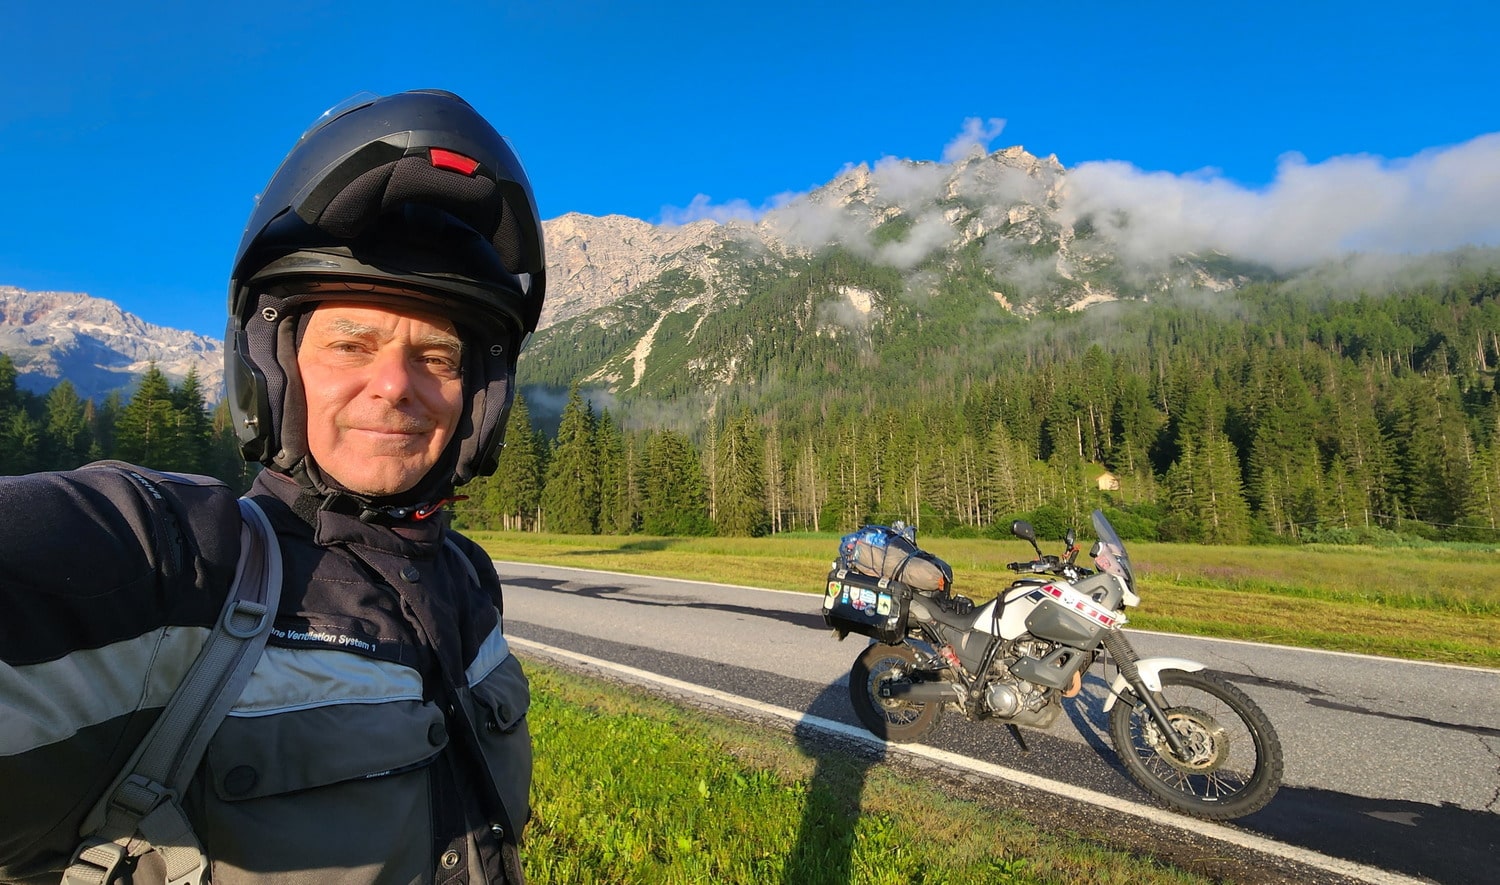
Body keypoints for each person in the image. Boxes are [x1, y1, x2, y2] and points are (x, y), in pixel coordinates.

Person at [0, 89, 546, 884]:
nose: (396, 385)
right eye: (351, 343)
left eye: (437, 356)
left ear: (479, 399)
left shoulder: (469, 582)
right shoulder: (186, 569)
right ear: (272, 372)